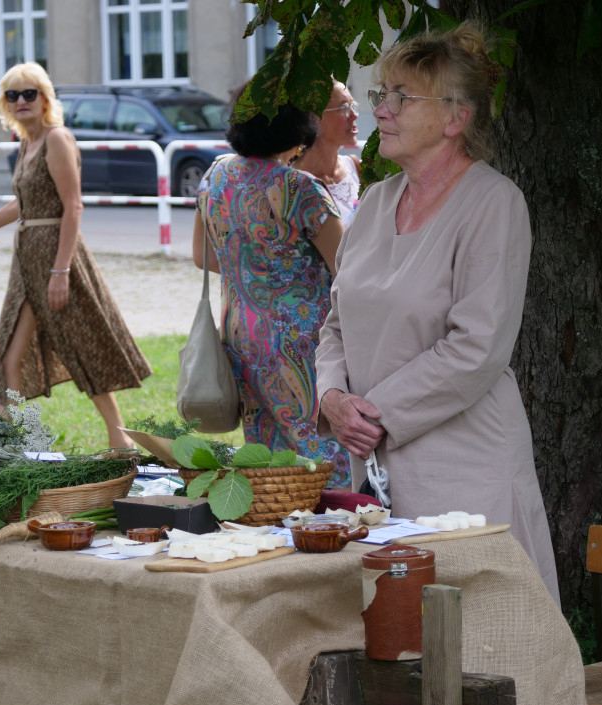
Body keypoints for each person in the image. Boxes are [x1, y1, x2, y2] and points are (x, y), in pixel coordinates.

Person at [314, 23, 561, 603]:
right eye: (382, 95)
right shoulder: (374, 203)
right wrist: (331, 397)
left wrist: (372, 414)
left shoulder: (494, 204)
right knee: (399, 654)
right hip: (375, 469)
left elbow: (477, 348)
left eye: (403, 96)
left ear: (455, 119)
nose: (383, 110)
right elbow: (335, 324)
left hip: (466, 474)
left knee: (486, 651)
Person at [0, 62, 151, 449]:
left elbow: (72, 207)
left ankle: (119, 438)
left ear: (45, 99)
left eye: (30, 93)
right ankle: (13, 441)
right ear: (4, 103)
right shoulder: (27, 141)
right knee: (7, 351)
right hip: (28, 260)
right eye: (13, 95)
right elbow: (24, 202)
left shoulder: (58, 138)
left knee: (82, 344)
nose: (21, 101)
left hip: (57, 256)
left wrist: (61, 271)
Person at [192, 86, 350, 488]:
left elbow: (200, 255)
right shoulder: (301, 189)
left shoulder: (217, 174)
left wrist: (250, 270)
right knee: (321, 453)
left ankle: (277, 521)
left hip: (241, 337)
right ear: (300, 127)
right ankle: (327, 531)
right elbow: (348, 270)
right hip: (303, 343)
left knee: (267, 453)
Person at [292, 80, 363, 225]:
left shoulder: (356, 167)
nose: (354, 115)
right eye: (344, 108)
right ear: (314, 118)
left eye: (353, 106)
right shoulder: (292, 181)